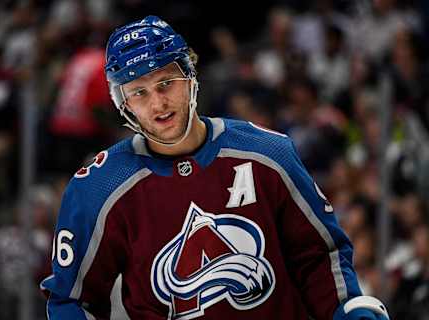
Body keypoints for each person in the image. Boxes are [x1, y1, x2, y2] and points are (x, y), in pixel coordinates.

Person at [40, 16, 390, 320]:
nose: (158, 103)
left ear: (190, 76)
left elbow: (318, 254)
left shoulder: (268, 152)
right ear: (123, 103)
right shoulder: (98, 188)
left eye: (166, 83)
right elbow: (73, 299)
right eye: (139, 92)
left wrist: (345, 307)